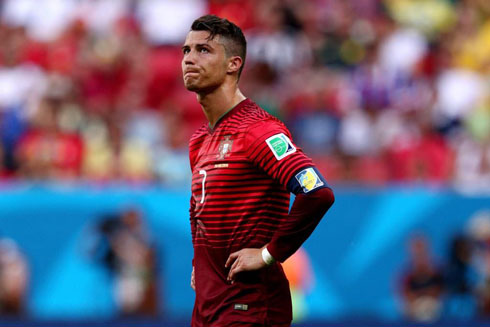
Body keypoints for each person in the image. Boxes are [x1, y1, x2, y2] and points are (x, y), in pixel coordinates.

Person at [182, 15, 335, 327]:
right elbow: (200, 206)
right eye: (186, 50)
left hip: (250, 306)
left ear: (233, 64)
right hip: (208, 306)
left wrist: (269, 253)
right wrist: (202, 262)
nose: (189, 59)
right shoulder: (199, 140)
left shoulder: (259, 131)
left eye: (204, 51)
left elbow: (317, 192)